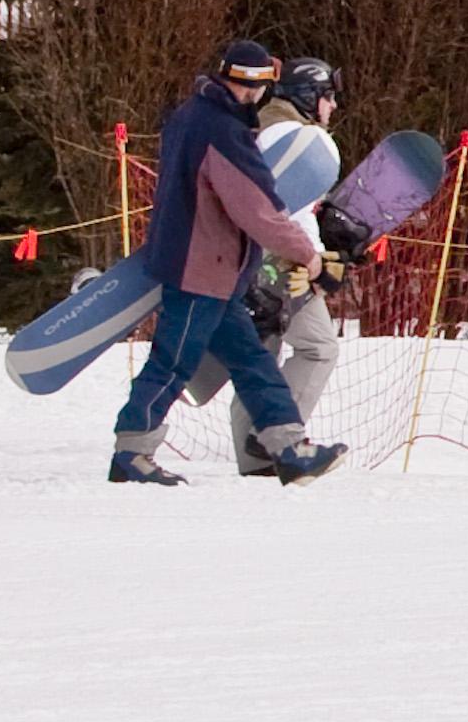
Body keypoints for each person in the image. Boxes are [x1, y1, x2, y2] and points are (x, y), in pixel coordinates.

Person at [111, 39, 341, 489]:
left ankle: (289, 448)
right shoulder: (223, 131)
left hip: (209, 267)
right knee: (174, 361)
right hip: (200, 268)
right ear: (254, 86)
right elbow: (256, 209)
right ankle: (132, 451)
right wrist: (309, 256)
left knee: (253, 361)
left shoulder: (192, 115)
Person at [174, 52, 372, 445]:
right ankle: (277, 439)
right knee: (316, 348)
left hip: (261, 260)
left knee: (265, 353)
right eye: (328, 96)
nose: (333, 106)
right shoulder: (295, 138)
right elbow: (282, 207)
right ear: (309, 94)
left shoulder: (269, 127)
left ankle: (258, 453)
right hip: (279, 266)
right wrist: (317, 260)